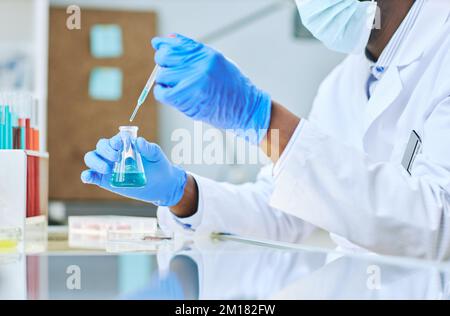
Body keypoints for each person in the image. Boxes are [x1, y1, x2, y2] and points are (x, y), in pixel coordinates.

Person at [81, 0, 450, 260]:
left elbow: (438, 230)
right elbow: (285, 213)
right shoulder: (343, 83)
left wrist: (262, 118)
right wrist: (183, 193)